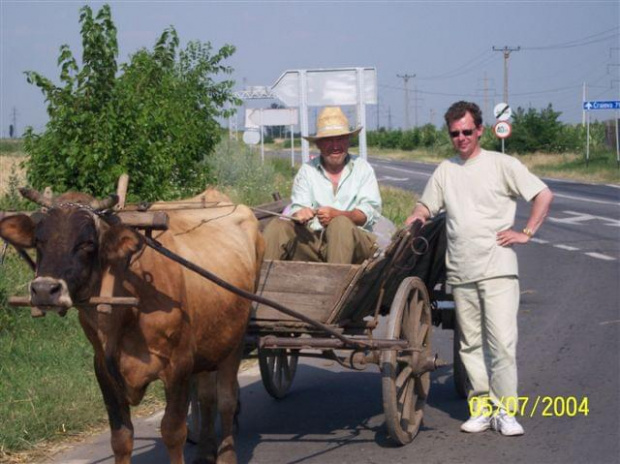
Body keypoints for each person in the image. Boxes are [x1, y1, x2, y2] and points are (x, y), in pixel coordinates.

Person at [406, 101, 553, 436]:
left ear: (480, 130)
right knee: (469, 344)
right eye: (455, 133)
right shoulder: (446, 170)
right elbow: (426, 204)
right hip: (460, 271)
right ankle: (481, 407)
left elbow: (543, 195)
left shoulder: (503, 164)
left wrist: (526, 232)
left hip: (498, 269)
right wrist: (417, 215)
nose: (461, 138)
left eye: (467, 131)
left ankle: (505, 412)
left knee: (501, 343)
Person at [263, 106, 382, 264]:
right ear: (318, 144)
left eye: (340, 139)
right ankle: (261, 284)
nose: (335, 146)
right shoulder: (307, 170)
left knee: (339, 224)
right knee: (278, 226)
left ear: (348, 141)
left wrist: (338, 215)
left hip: (357, 244)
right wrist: (299, 214)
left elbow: (368, 213)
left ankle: (336, 285)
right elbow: (298, 207)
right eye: (328, 140)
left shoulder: (362, 168)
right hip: (316, 242)